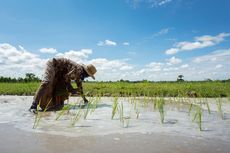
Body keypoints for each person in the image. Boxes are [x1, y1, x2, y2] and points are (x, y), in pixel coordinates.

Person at [29, 57, 97, 113]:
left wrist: (84, 99)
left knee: (60, 90)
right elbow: (66, 79)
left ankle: (54, 105)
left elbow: (80, 87)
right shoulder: (78, 69)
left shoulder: (79, 74)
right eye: (87, 76)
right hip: (53, 65)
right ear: (86, 73)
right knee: (46, 82)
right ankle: (33, 106)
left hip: (60, 73)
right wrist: (71, 89)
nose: (86, 77)